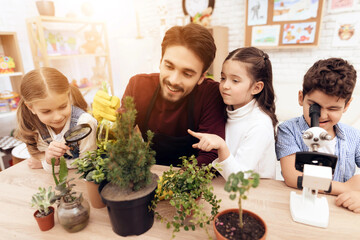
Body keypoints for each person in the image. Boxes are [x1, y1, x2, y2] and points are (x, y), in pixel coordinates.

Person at [120, 23, 226, 166]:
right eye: (169, 66)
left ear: (201, 77)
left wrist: (175, 182)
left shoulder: (211, 94)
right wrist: (108, 121)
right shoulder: (138, 85)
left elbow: (211, 155)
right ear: (160, 61)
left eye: (187, 74)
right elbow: (120, 137)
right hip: (151, 174)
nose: (173, 80)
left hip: (191, 179)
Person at [276, 58, 360, 202]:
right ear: (301, 98)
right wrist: (346, 187)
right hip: (301, 200)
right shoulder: (288, 130)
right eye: (314, 106)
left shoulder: (354, 136)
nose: (321, 115)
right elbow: (292, 177)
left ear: (346, 106)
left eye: (333, 108)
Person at [188, 47, 278, 180]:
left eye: (235, 81)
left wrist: (221, 146)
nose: (225, 85)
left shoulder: (260, 123)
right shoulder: (226, 109)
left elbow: (238, 179)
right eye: (223, 78)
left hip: (255, 191)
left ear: (256, 87)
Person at [16, 67, 97, 172]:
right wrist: (50, 160)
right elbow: (51, 167)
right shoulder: (35, 126)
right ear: (31, 108)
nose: (57, 117)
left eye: (63, 106)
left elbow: (88, 163)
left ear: (68, 96)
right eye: (46, 111)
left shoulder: (85, 123)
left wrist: (44, 162)